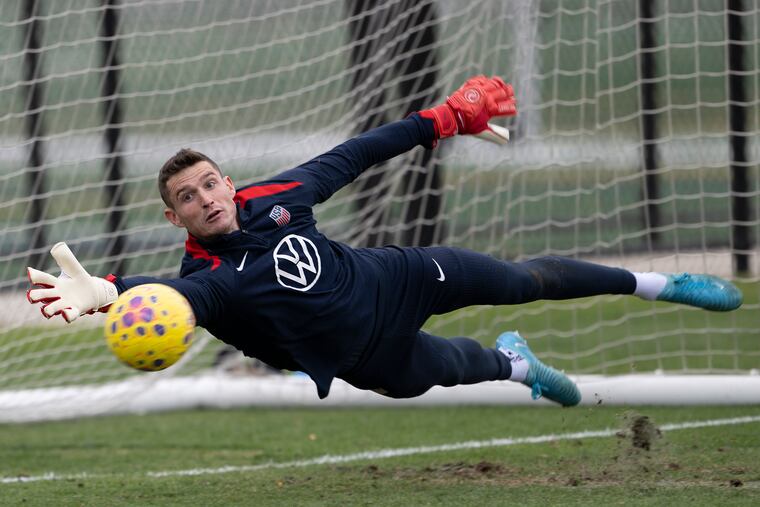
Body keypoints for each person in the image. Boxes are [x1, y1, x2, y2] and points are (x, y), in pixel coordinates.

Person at [26, 76, 743, 407]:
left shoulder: (274, 198)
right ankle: (518, 366)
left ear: (229, 182)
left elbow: (355, 154)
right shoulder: (205, 281)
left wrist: (444, 119)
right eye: (188, 197)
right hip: (365, 358)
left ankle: (660, 284)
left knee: (522, 279)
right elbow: (167, 297)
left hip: (400, 277)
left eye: (211, 183)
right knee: (459, 368)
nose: (206, 198)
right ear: (174, 218)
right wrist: (105, 292)